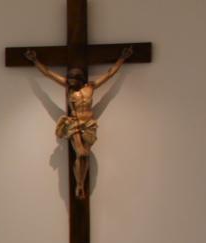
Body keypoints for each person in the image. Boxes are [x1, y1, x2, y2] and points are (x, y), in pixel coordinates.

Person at [25, 46, 133, 199]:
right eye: (70, 79)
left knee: (85, 155)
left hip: (89, 124)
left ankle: (80, 183)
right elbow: (48, 74)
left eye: (74, 79)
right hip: (75, 123)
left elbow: (109, 74)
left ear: (80, 79)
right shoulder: (68, 88)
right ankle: (80, 185)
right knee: (81, 154)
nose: (71, 82)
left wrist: (122, 58)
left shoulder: (91, 87)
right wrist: (35, 60)